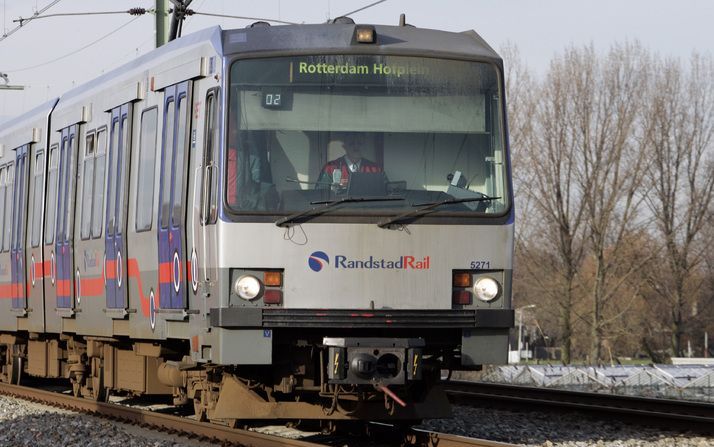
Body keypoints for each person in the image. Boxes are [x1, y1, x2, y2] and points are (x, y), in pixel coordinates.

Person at [316, 131, 381, 189]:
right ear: (345, 146)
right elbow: (319, 193)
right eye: (351, 143)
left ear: (364, 145)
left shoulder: (375, 169)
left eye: (360, 143)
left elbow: (387, 192)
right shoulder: (330, 168)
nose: (356, 147)